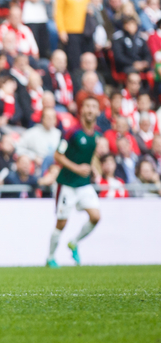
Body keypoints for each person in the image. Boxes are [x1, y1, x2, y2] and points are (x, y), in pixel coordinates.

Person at [48, 96, 103, 268]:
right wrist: (77, 168)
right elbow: (58, 155)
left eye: (93, 106)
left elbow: (89, 155)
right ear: (81, 110)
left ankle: (74, 242)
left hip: (84, 184)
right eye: (87, 106)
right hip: (67, 184)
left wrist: (94, 168)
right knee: (62, 223)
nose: (90, 110)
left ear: (98, 112)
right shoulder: (72, 132)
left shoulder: (96, 134)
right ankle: (50, 257)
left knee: (96, 216)